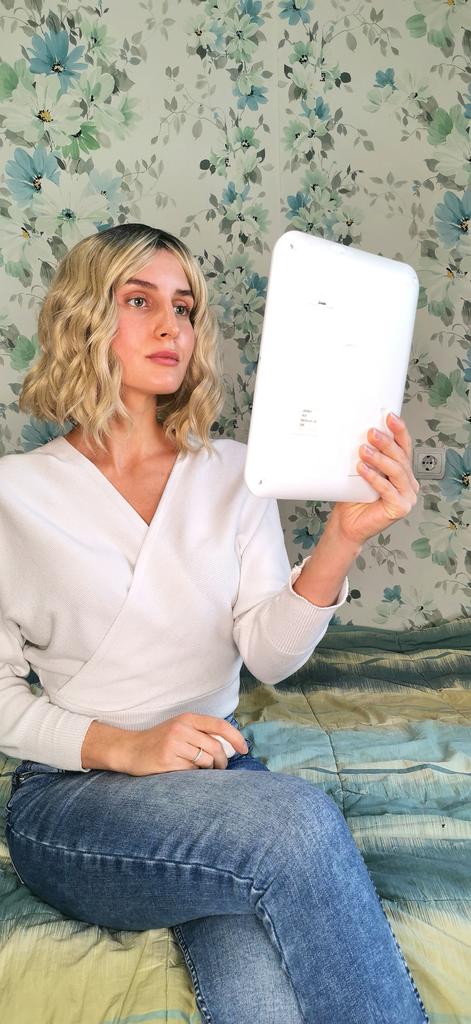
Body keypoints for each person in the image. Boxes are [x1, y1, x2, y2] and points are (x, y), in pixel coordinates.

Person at [1, 223, 428, 1024]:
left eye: (184, 307)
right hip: (73, 802)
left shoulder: (233, 471)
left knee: (261, 992)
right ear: (82, 317)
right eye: (139, 301)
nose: (171, 326)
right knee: (296, 826)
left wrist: (341, 539)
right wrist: (127, 747)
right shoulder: (14, 494)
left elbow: (268, 656)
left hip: (217, 786)